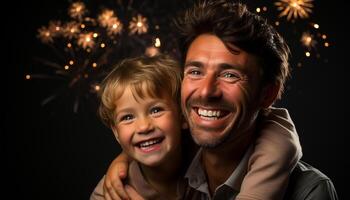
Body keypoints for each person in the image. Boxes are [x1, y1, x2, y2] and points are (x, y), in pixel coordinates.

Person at [102, 0, 338, 199]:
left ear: (267, 94)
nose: (206, 92)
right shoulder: (159, 168)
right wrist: (124, 159)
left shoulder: (309, 192)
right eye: (195, 71)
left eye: (230, 75)